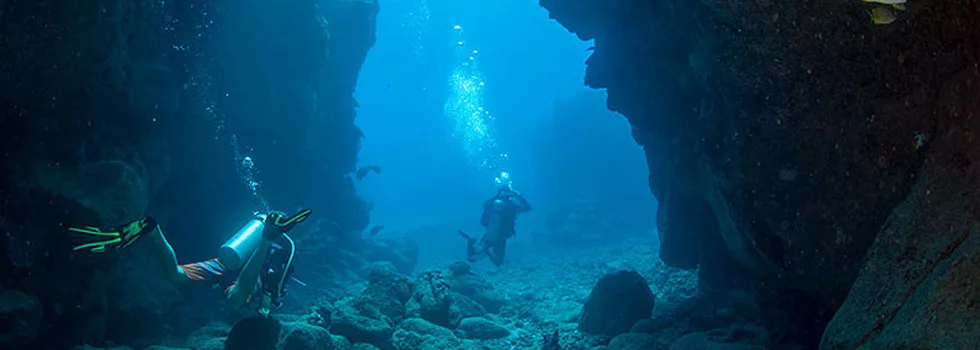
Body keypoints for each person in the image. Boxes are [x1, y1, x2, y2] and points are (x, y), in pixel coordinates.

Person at [68, 209, 312, 348]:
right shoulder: (282, 258)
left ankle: (153, 230)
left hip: (226, 262)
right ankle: (267, 237)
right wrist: (267, 242)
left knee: (176, 275)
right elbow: (268, 297)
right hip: (253, 269)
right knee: (235, 301)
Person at [458, 182, 532, 266]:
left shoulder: (493, 203)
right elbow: (528, 208)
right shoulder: (512, 205)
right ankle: (486, 250)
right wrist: (519, 195)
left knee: (472, 258)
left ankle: (472, 241)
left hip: (489, 232)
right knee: (498, 262)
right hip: (501, 236)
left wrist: (497, 195)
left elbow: (484, 209)